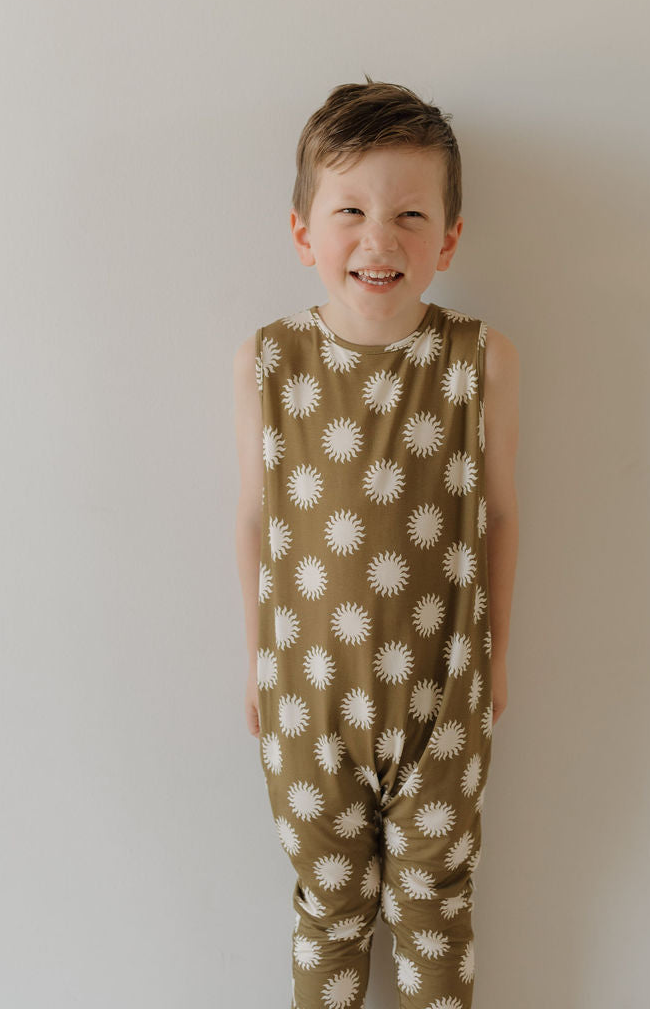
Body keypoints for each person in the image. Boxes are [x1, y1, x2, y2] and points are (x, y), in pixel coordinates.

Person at [233, 76, 520, 1009]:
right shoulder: (269, 362)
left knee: (436, 912)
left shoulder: (480, 359)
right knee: (329, 913)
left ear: (448, 239)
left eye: (409, 215)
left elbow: (500, 514)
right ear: (304, 233)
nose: (378, 239)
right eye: (350, 211)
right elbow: (256, 518)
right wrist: (258, 662)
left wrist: (495, 660)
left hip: (442, 698)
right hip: (307, 699)